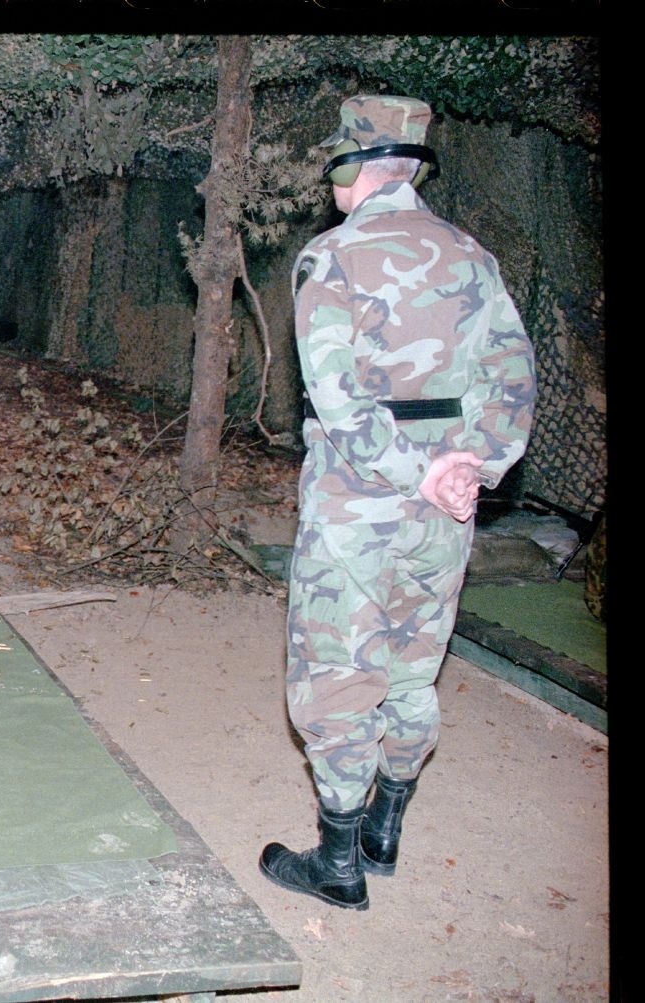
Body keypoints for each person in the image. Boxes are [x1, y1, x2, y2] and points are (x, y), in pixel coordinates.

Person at [259, 96, 536, 910]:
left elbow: (340, 405)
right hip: (445, 510)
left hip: (360, 504)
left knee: (338, 678)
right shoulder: (470, 257)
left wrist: (414, 471)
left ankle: (339, 864)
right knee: (413, 672)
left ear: (352, 170)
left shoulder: (332, 258)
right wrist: (470, 468)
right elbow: (512, 376)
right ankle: (386, 827)